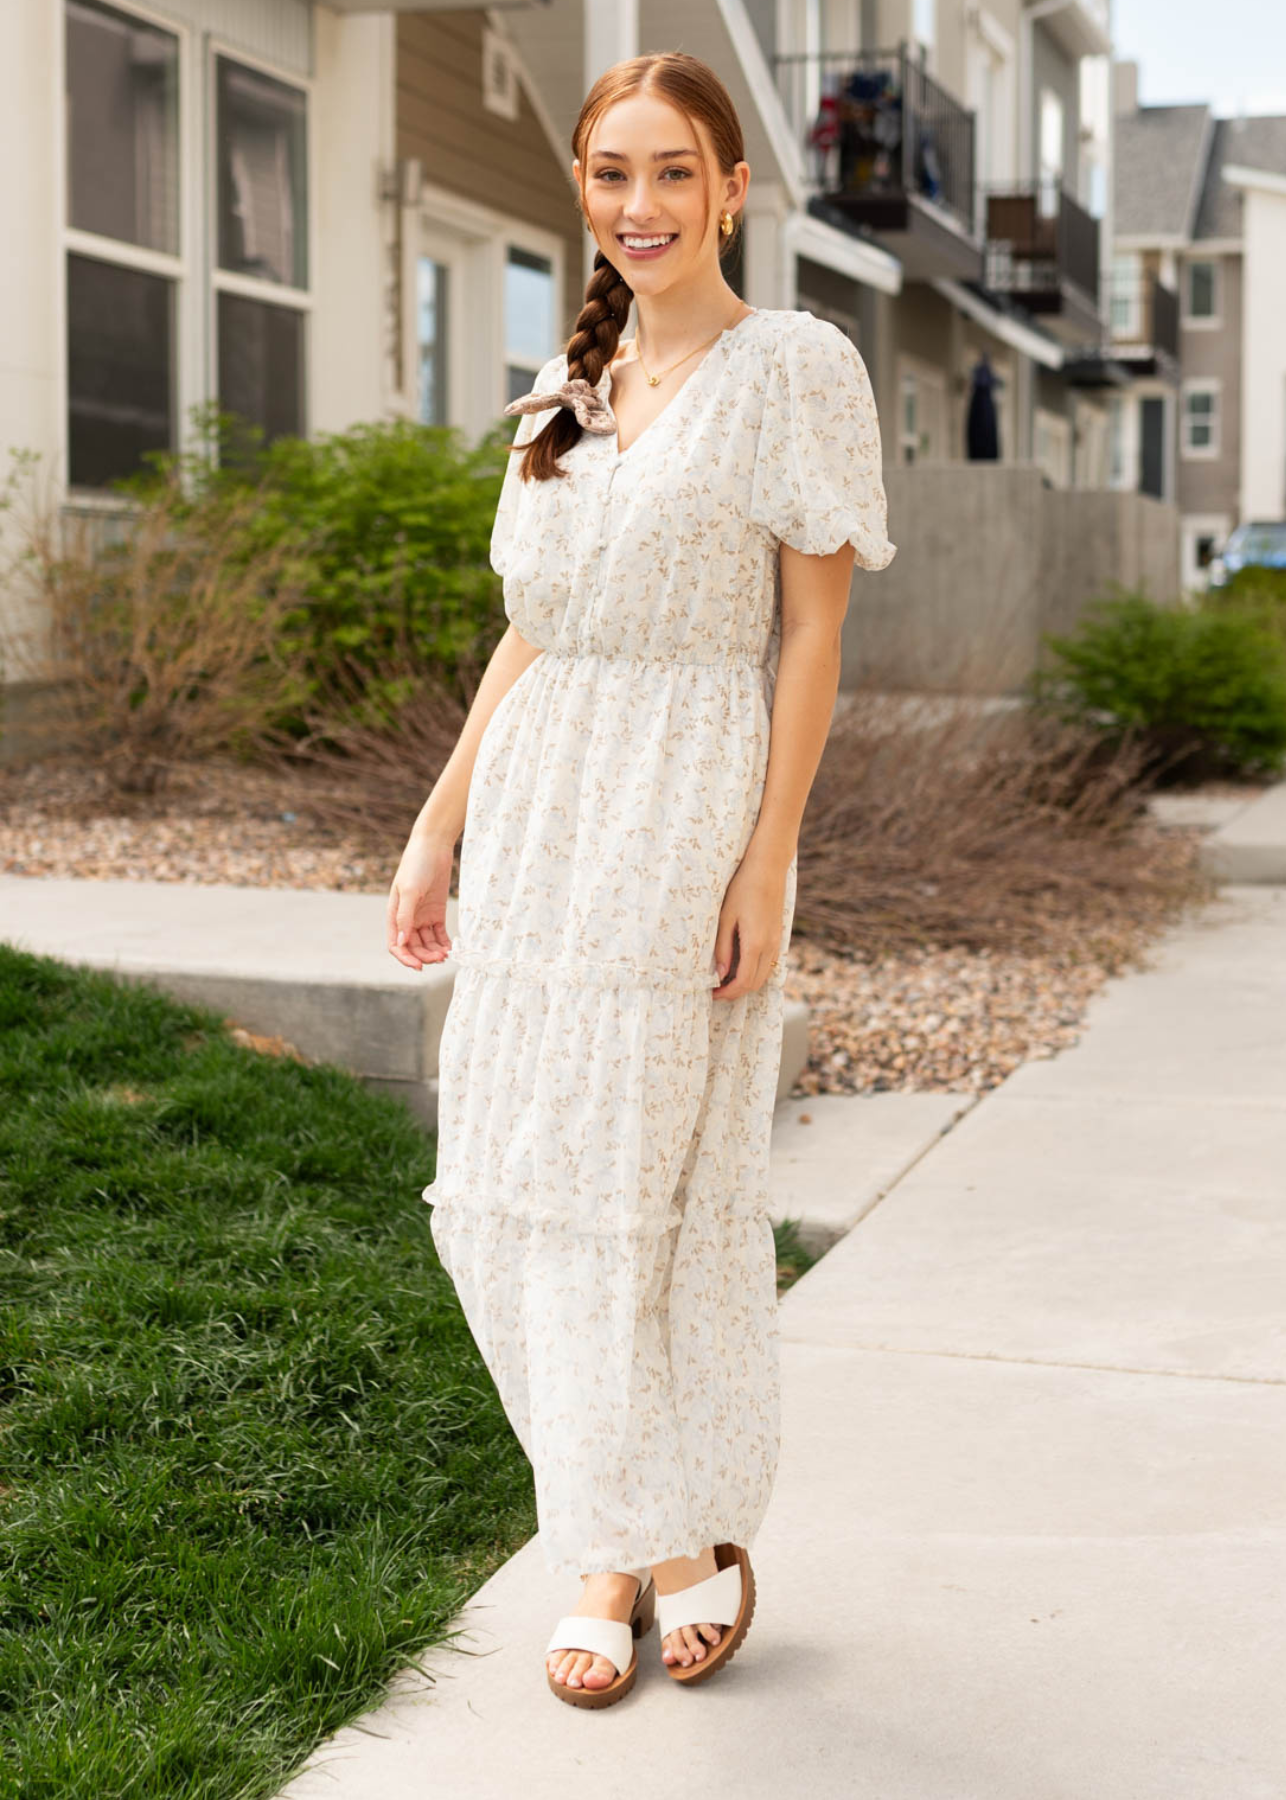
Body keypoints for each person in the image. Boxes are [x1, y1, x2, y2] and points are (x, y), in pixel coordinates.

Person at [386, 50, 895, 1710]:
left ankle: (622, 1555)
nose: (639, 207)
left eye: (672, 173)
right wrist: (437, 824)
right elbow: (533, 625)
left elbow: (812, 632)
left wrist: (766, 861)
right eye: (612, 175)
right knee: (501, 1194)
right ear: (584, 191)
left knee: (636, 1197)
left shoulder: (795, 367)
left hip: (684, 805)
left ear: (730, 188)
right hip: (540, 812)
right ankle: (642, 1534)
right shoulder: (565, 380)